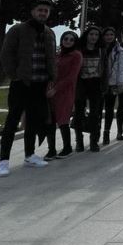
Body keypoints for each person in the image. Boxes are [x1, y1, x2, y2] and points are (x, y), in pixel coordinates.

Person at [0, 0, 57, 177]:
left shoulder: (49, 33)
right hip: (21, 84)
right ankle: (3, 161)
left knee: (33, 121)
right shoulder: (18, 29)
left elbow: (51, 58)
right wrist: (15, 75)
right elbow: (5, 54)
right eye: (40, 10)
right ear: (33, 12)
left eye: (46, 11)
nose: (43, 13)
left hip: (40, 84)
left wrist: (52, 78)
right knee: (12, 121)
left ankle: (29, 155)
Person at [44, 31, 81, 160]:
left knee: (63, 120)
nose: (68, 41)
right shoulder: (58, 55)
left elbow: (71, 76)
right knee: (50, 121)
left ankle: (67, 148)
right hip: (51, 92)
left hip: (65, 92)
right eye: (66, 38)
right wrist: (49, 87)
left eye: (71, 39)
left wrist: (56, 89)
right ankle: (51, 149)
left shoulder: (76, 55)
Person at [74, 25, 104, 152]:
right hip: (81, 84)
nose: (94, 37)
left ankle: (94, 141)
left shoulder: (101, 50)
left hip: (96, 84)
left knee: (95, 114)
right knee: (79, 114)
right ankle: (79, 141)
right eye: (91, 34)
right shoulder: (79, 50)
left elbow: (104, 69)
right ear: (87, 35)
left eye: (96, 35)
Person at [100, 26, 123, 145]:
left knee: (109, 109)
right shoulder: (98, 48)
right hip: (99, 83)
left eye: (111, 35)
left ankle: (106, 132)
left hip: (112, 84)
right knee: (97, 110)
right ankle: (95, 133)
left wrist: (121, 83)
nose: (109, 37)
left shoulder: (119, 50)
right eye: (107, 35)